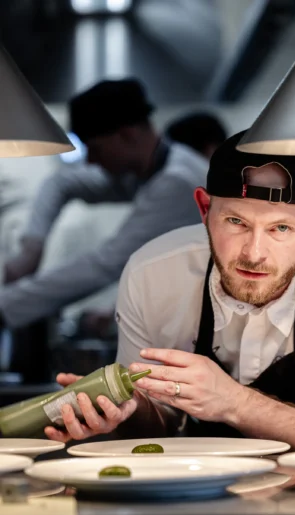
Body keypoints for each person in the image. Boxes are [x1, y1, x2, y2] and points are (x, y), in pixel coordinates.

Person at [44, 131, 295, 449]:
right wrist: (128, 413)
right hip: (193, 497)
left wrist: (234, 402)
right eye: (236, 221)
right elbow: (159, 424)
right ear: (204, 208)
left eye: (281, 228)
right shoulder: (152, 275)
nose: (254, 254)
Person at [0, 77, 209, 329]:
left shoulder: (177, 182)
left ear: (127, 135)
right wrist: (31, 249)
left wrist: (6, 306)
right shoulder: (151, 168)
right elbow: (61, 184)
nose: (90, 162)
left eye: (95, 149)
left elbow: (105, 264)